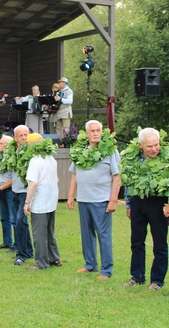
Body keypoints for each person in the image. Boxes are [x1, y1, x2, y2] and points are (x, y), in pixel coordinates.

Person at [67, 120, 120, 280]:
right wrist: (71, 195)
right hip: (83, 199)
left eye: (99, 130)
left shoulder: (111, 151)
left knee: (103, 234)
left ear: (102, 132)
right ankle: (90, 264)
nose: (96, 133)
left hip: (101, 200)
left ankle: (106, 269)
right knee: (87, 234)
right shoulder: (79, 150)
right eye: (93, 131)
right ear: (87, 133)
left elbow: (117, 177)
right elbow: (75, 174)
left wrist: (113, 200)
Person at [122, 128, 168, 290]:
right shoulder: (132, 159)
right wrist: (128, 205)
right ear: (141, 145)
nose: (154, 149)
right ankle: (137, 276)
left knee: (160, 243)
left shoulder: (166, 159)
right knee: (137, 241)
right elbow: (127, 184)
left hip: (159, 204)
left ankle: (157, 281)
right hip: (137, 202)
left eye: (156, 145)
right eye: (149, 146)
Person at [23, 133, 61, 270]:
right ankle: (54, 258)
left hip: (40, 202)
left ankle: (41, 263)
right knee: (50, 231)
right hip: (51, 200)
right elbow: (56, 179)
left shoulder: (35, 160)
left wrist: (27, 202)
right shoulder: (51, 158)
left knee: (39, 234)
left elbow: (33, 184)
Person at [6, 125, 34, 266]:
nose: (24, 137)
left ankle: (21, 254)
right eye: (21, 135)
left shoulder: (31, 151)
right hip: (15, 190)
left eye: (26, 134)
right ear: (15, 138)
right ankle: (28, 251)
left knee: (20, 221)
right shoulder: (12, 151)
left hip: (26, 191)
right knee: (20, 223)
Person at [0, 135, 17, 252]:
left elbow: (13, 179)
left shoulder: (13, 157)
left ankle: (16, 245)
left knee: (13, 218)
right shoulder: (1, 157)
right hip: (1, 188)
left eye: (1, 144)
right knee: (4, 217)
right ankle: (7, 242)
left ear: (8, 145)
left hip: (10, 190)